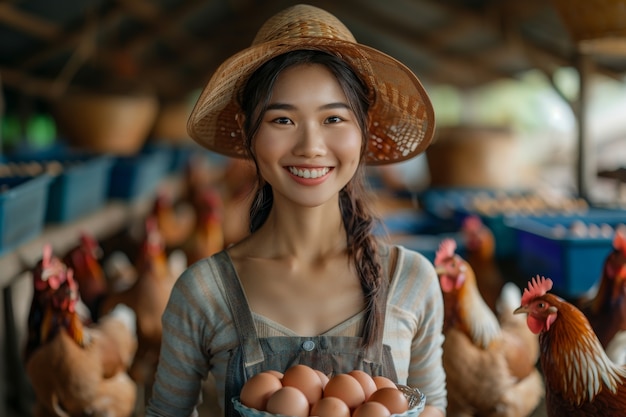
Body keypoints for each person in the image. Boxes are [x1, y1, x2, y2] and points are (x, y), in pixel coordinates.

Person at [146, 4, 445, 417]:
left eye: (334, 119)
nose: (310, 146)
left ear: (364, 132)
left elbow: (433, 408)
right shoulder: (202, 292)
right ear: (249, 131)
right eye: (283, 120)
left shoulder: (411, 281)